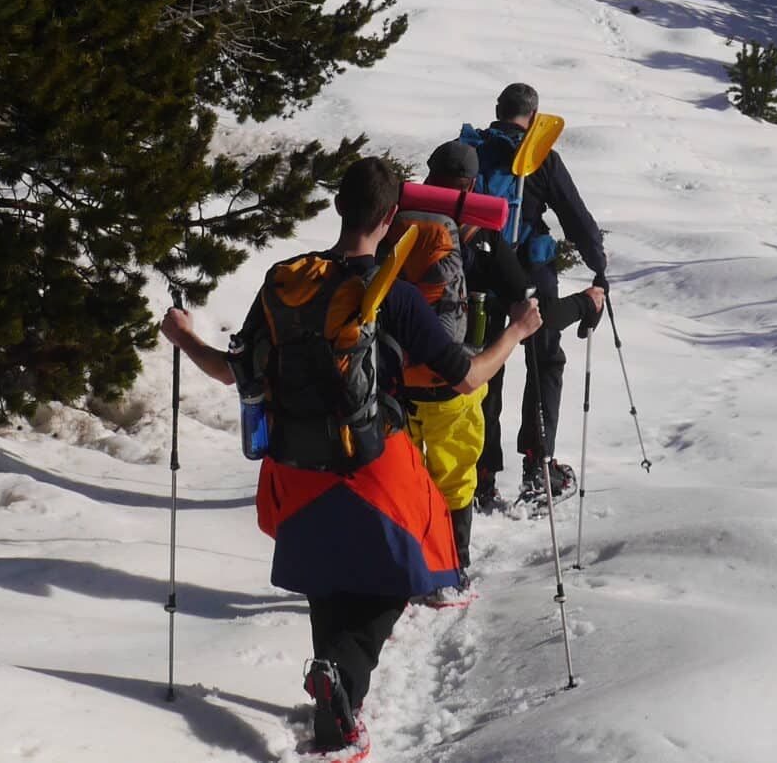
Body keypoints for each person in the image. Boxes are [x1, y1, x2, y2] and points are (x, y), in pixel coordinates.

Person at [162, 156, 542, 761]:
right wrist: (516, 332)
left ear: (339, 207)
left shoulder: (286, 279)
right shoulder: (393, 292)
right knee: (400, 578)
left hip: (293, 461)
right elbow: (467, 377)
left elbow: (234, 371)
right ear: (392, 218)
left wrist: (184, 336)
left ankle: (335, 706)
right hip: (373, 462)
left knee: (326, 575)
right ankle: (338, 677)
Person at [399, 140, 604, 590]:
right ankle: (451, 574)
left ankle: (404, 561)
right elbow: (526, 303)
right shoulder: (466, 239)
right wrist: (583, 303)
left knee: (407, 475)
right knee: (454, 481)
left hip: (394, 386)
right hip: (451, 383)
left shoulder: (395, 223)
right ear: (471, 187)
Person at [465, 81, 607, 514]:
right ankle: (538, 467)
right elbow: (575, 216)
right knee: (544, 361)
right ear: (534, 115)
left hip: (483, 275)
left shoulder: (471, 149)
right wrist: (599, 265)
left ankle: (482, 477)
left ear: (497, 110)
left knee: (489, 370)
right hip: (531, 273)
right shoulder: (541, 156)